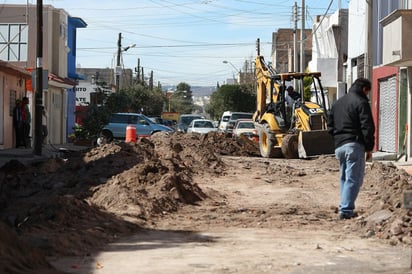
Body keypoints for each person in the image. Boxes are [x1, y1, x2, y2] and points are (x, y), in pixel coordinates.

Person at [327, 78, 375, 220]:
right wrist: (369, 147)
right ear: (364, 89)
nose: (367, 95)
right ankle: (346, 210)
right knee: (354, 178)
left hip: (339, 146)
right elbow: (368, 126)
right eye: (368, 92)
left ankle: (344, 206)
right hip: (354, 145)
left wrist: (338, 138)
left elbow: (330, 126)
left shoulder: (337, 103)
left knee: (345, 178)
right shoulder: (361, 102)